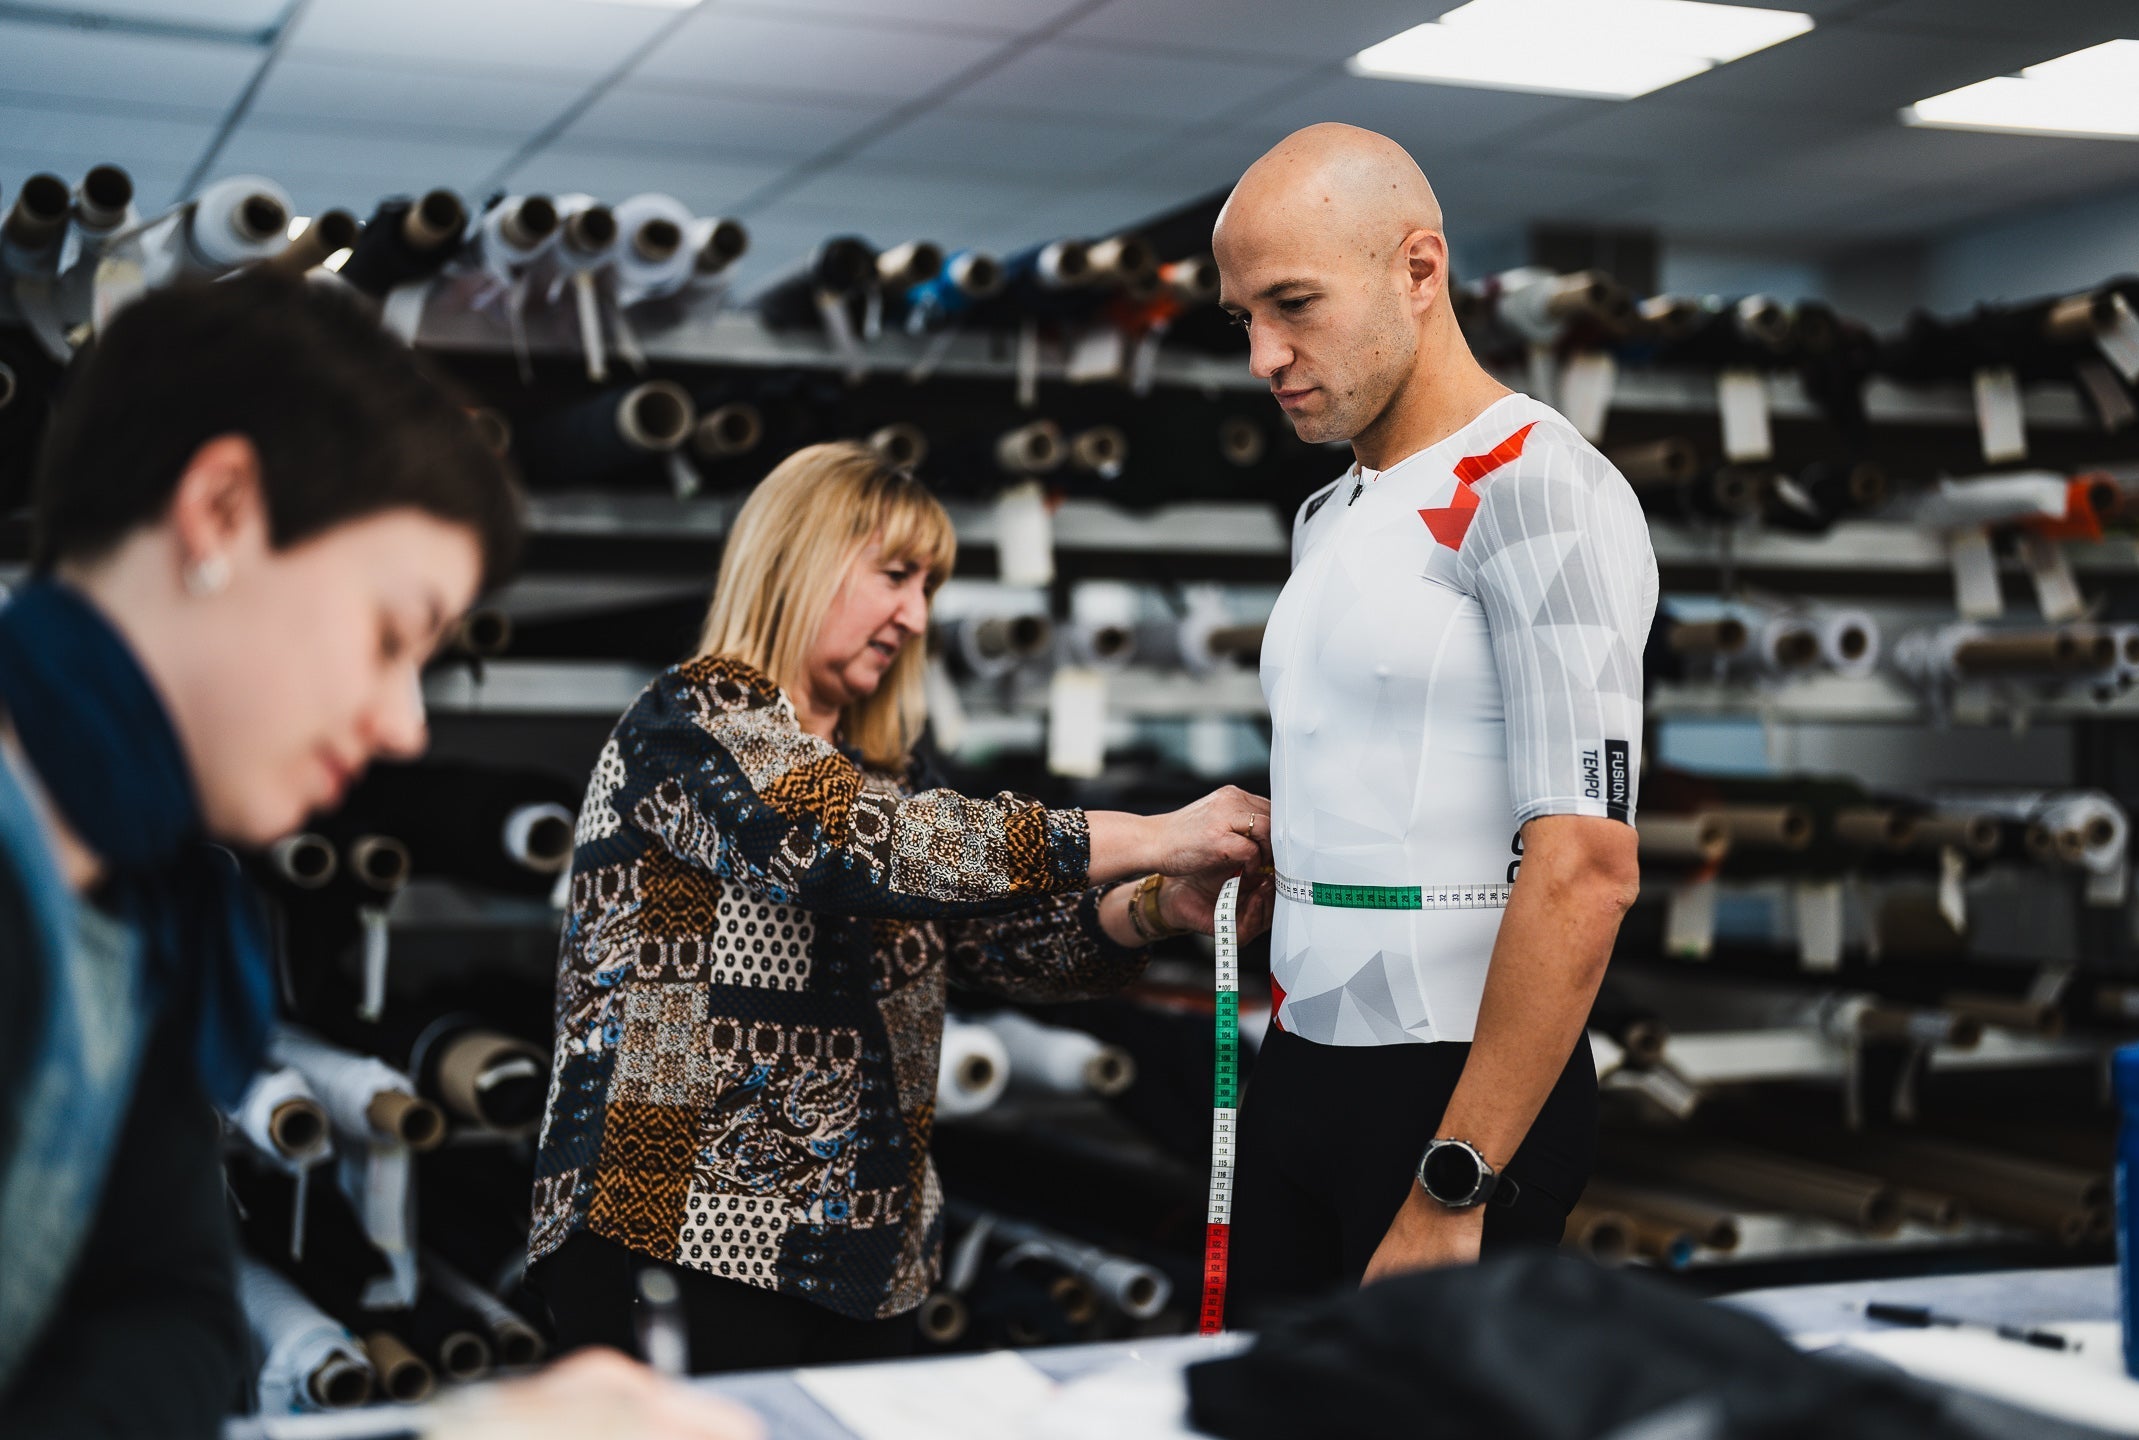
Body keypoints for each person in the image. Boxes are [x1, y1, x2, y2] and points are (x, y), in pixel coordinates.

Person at [0, 274, 753, 1440]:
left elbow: (169, 1314)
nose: (405, 726)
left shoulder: (137, 913)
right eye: (391, 634)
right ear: (222, 512)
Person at [529, 441, 1274, 1370]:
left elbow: (1001, 943)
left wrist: (1159, 907)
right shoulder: (693, 719)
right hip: (681, 1229)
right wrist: (1157, 835)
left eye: (929, 587)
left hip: (866, 1259)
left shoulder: (887, 771)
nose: (916, 616)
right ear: (799, 558)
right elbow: (846, 847)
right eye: (895, 575)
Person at [1213, 125, 1657, 1321]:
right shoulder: (1330, 513)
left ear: (1418, 269)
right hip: (1302, 1066)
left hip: (1453, 1098)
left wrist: (1455, 1183)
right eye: (1243, 318)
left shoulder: (1537, 485)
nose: (1263, 355)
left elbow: (1588, 866)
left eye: (1293, 305)